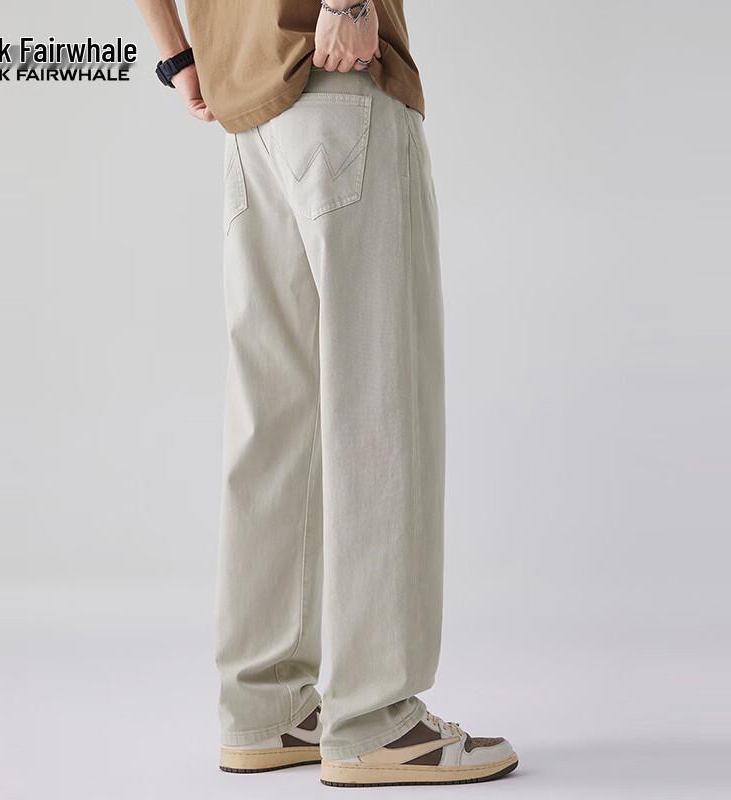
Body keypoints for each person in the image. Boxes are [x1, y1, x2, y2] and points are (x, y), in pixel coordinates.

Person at [135, 0, 518, 787]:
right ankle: (377, 721)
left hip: (246, 108)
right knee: (379, 406)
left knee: (273, 426)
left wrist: (178, 56)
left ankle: (265, 707)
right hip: (335, 78)